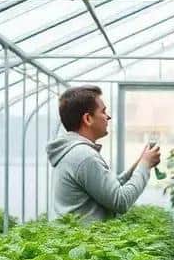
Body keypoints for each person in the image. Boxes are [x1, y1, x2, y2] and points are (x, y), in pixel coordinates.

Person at [46, 85, 161, 222]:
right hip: (85, 236)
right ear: (88, 119)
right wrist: (145, 165)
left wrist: (140, 162)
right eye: (103, 111)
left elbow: (108, 189)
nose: (108, 117)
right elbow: (121, 201)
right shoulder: (84, 156)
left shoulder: (75, 151)